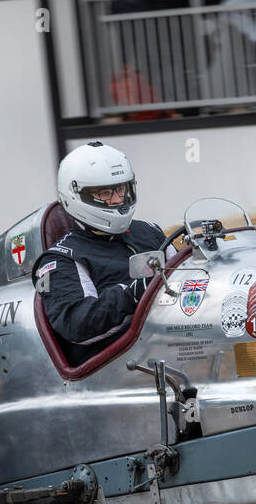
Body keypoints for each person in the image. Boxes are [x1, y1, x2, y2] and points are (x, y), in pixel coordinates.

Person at [32, 142, 167, 364]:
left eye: (121, 189)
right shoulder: (61, 259)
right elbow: (77, 325)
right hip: (120, 367)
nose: (117, 200)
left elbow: (187, 275)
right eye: (104, 193)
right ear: (75, 195)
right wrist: (131, 294)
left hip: (171, 342)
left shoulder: (149, 232)